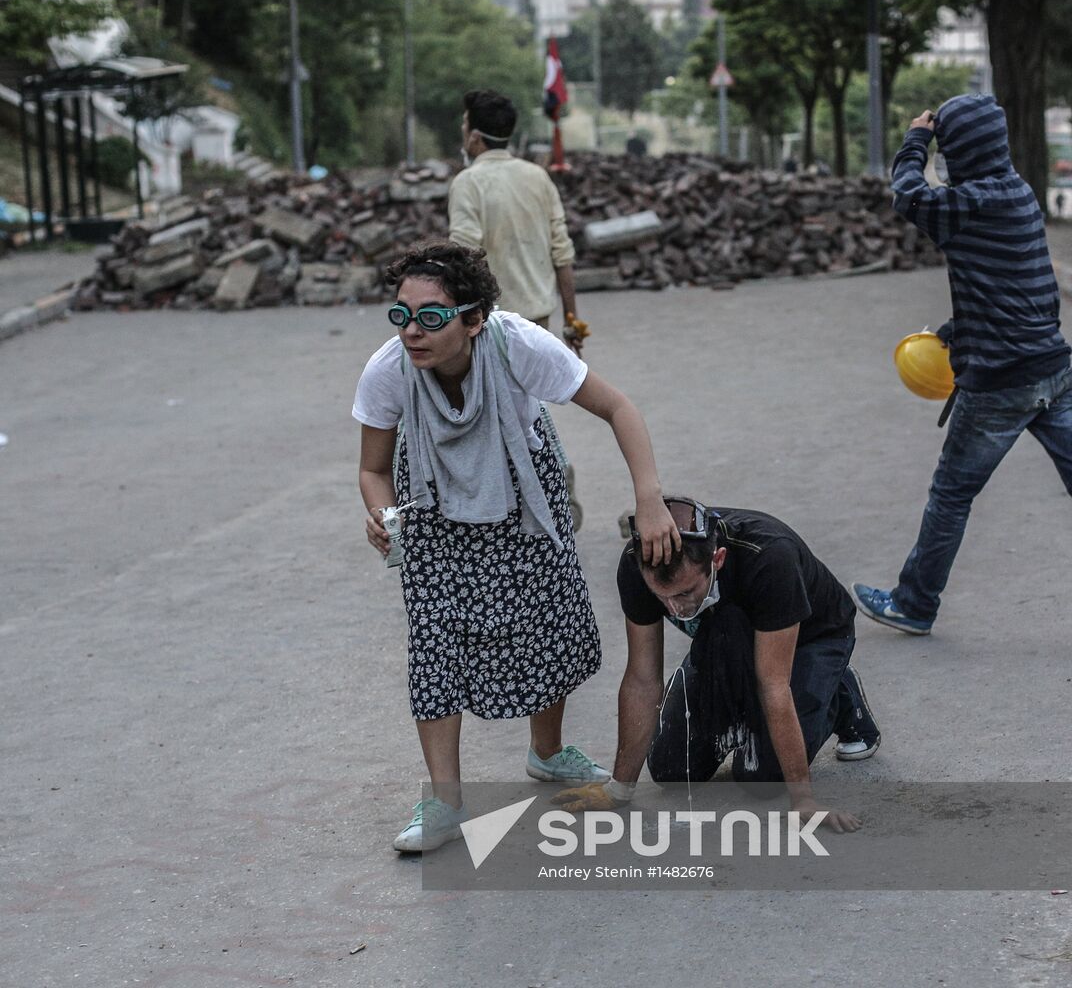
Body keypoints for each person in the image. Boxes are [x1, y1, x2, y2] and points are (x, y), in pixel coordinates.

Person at [353, 240, 679, 853]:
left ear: (473, 319)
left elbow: (617, 407)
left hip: (525, 493)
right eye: (401, 315)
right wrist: (380, 514)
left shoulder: (516, 344)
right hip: (430, 503)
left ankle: (548, 751)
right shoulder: (389, 369)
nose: (411, 333)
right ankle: (445, 801)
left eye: (430, 317)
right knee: (435, 644)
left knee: (544, 625)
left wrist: (650, 498)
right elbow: (373, 470)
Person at [852, 95, 1072, 636]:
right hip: (1055, 367)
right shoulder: (1020, 194)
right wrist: (958, 330)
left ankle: (914, 604)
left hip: (1000, 383)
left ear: (960, 153)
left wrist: (915, 138)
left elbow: (907, 194)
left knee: (951, 494)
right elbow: (1025, 287)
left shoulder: (964, 204)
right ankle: (915, 601)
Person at [552, 499, 880, 834]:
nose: (676, 608)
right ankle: (747, 692)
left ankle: (839, 694)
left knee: (762, 779)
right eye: (662, 597)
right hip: (726, 634)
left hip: (810, 637)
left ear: (717, 559)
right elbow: (642, 677)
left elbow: (774, 685)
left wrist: (803, 800)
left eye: (685, 592)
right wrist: (619, 789)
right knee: (672, 772)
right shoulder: (637, 564)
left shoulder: (770, 558)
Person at [448, 89, 585, 352]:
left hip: (490, 325)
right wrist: (572, 323)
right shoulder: (538, 177)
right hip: (538, 326)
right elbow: (562, 255)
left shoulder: (468, 182)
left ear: (475, 137)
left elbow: (463, 259)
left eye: (465, 125)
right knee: (531, 393)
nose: (463, 132)